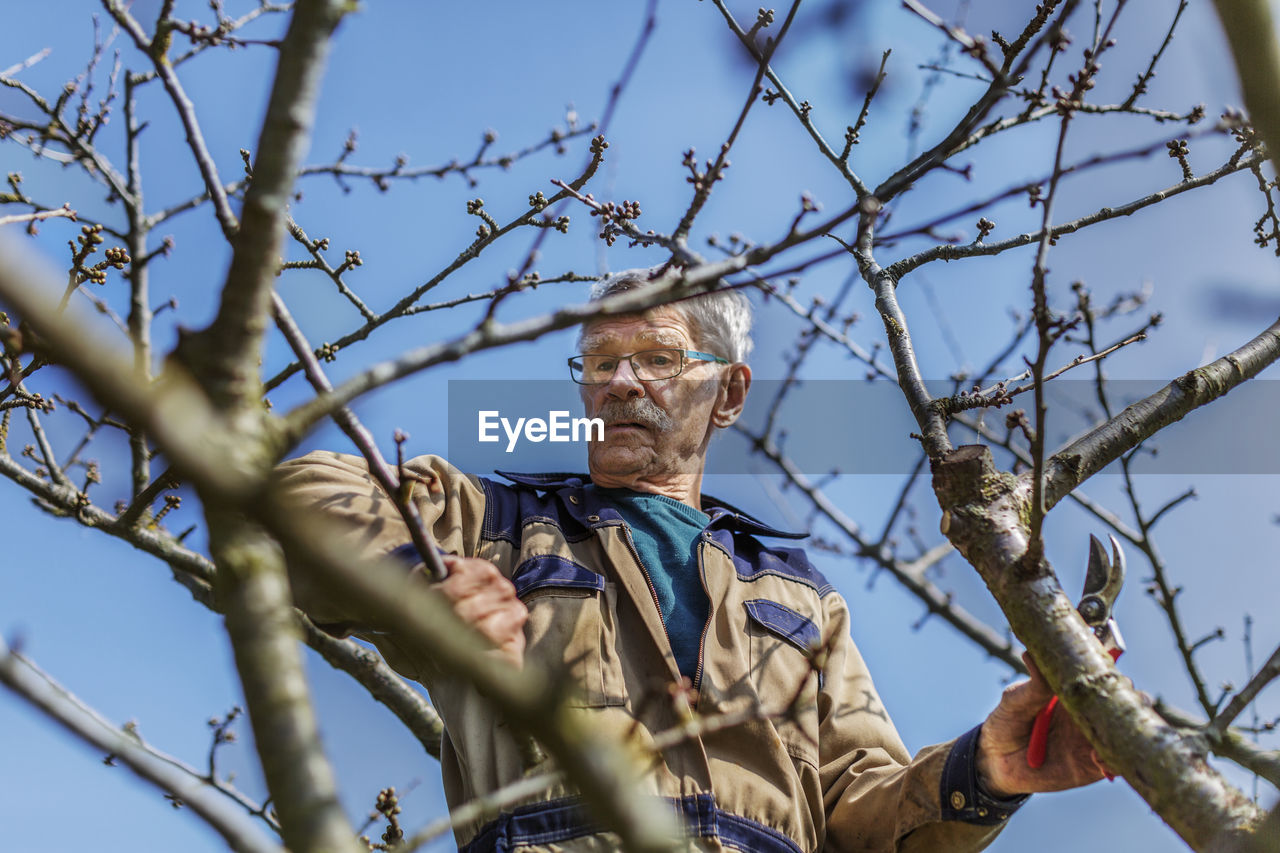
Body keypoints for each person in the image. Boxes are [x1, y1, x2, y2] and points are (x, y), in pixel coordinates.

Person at [274, 267, 1108, 852]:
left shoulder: (800, 598)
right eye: (600, 363)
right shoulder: (493, 519)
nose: (621, 383)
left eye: (658, 359)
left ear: (731, 394)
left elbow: (857, 815)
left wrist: (985, 771)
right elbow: (295, 501)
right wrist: (421, 582)